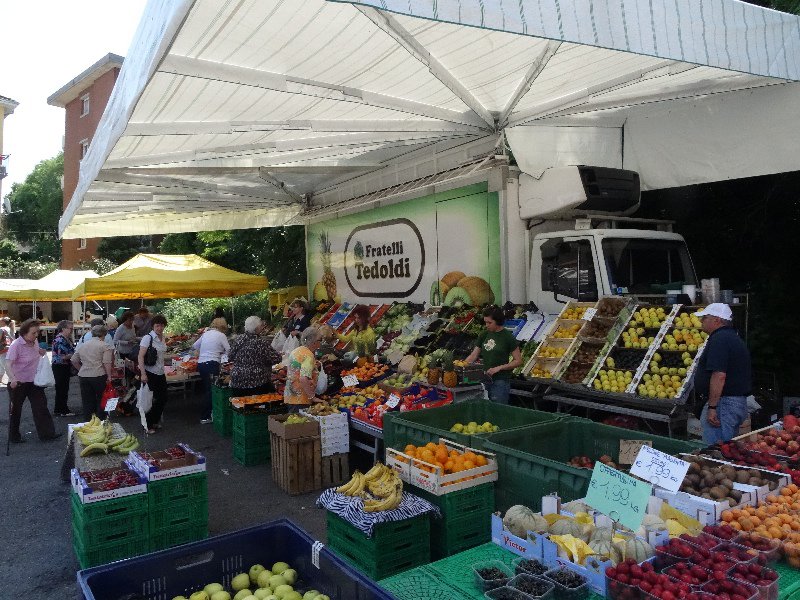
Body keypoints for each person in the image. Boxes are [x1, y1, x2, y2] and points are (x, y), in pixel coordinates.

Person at [694, 303, 752, 444]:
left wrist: (712, 407)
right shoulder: (731, 337)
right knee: (727, 447)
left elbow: (719, 375)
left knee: (717, 450)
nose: (702, 321)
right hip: (732, 403)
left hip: (724, 404)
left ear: (717, 320)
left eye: (705, 317)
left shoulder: (720, 339)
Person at [6, 319, 59, 442]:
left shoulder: (34, 342)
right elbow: (8, 364)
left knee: (41, 407)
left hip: (34, 381)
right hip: (18, 382)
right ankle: (14, 436)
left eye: (37, 332)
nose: (36, 335)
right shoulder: (16, 345)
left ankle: (47, 434)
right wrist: (13, 379)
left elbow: (35, 352)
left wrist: (40, 351)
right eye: (33, 333)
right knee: (15, 411)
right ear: (24, 333)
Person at [463, 305, 523, 404]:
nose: (486, 325)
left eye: (489, 322)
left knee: (497, 411)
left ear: (498, 321)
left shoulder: (508, 337)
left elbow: (518, 361)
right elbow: (474, 355)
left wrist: (499, 368)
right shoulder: (484, 335)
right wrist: (462, 366)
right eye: (485, 322)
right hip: (484, 379)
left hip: (500, 382)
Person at [228, 316, 281, 397]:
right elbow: (276, 358)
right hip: (257, 382)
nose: (262, 327)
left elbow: (230, 356)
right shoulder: (261, 343)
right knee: (256, 406)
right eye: (261, 325)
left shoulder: (238, 339)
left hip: (237, 381)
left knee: (239, 406)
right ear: (256, 328)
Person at [71, 324, 114, 420]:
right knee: (101, 399)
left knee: (87, 400)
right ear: (104, 334)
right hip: (99, 375)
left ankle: (88, 421)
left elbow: (74, 360)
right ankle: (100, 420)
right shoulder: (105, 346)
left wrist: (80, 369)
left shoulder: (82, 345)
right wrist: (109, 376)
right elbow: (107, 362)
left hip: (83, 375)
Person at [194, 317, 230, 424]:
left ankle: (209, 413)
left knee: (207, 389)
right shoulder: (221, 335)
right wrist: (222, 354)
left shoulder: (206, 334)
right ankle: (205, 416)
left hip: (201, 364)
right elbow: (229, 350)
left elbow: (194, 345)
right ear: (223, 326)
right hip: (212, 364)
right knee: (211, 391)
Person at [138, 314, 169, 434]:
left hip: (160, 372)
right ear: (153, 326)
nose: (160, 328)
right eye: (157, 325)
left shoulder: (163, 338)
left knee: (163, 398)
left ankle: (154, 421)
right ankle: (147, 425)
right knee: (149, 400)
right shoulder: (148, 338)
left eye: (162, 325)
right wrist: (143, 374)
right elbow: (140, 356)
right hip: (150, 372)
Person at [284, 326, 324, 412]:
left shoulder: (297, 350)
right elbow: (303, 378)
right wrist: (312, 397)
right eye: (320, 340)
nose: (321, 342)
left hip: (290, 395)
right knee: (300, 424)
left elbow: (296, 369)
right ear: (314, 342)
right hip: (301, 398)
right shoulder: (308, 356)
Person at [51, 320, 77, 416]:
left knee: (62, 389)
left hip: (63, 366)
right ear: (63, 329)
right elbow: (63, 356)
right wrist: (75, 354)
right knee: (62, 388)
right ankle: (63, 410)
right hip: (60, 366)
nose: (71, 331)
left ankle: (60, 409)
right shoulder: (60, 339)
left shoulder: (65, 338)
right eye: (70, 328)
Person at [0, 316, 13, 385]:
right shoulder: (10, 328)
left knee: (4, 366)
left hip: (2, 349)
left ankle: (12, 380)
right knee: (2, 365)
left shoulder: (1, 329)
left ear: (3, 322)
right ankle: (0, 379)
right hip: (8, 348)